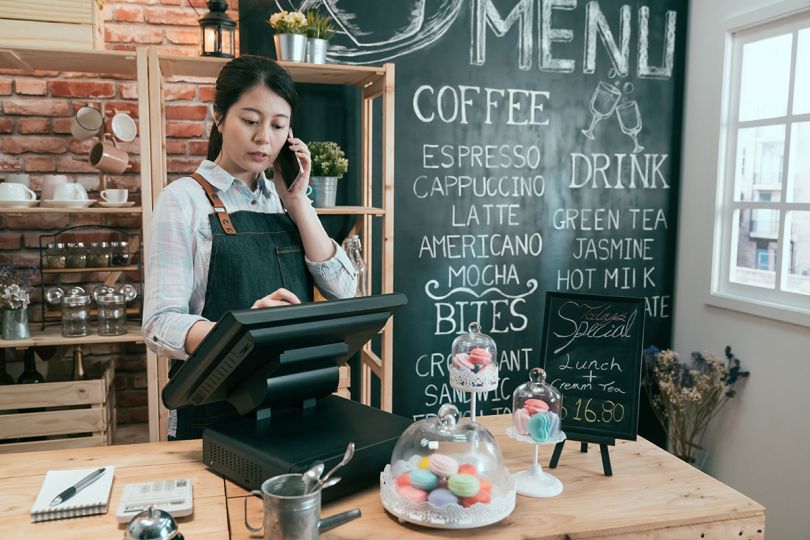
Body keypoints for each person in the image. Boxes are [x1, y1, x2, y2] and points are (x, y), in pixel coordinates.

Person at [143, 55, 357, 440]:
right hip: (215, 411)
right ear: (220, 117)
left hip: (295, 401)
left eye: (278, 126)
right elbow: (160, 324)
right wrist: (241, 333)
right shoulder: (182, 200)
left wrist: (298, 203)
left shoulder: (286, 201)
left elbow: (344, 289)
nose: (264, 139)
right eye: (250, 121)